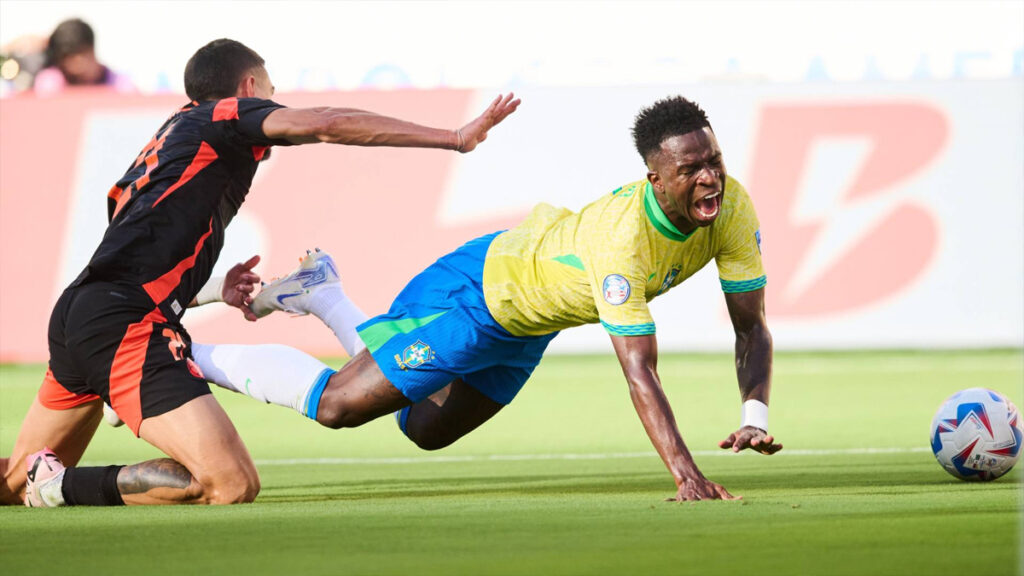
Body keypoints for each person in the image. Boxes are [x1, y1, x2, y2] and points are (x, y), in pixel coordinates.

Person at [0, 37, 519, 507]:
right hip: (122, 326)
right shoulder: (224, 115)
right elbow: (328, 122)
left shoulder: (172, 142)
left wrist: (210, 291)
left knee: (12, 481)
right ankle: (57, 487)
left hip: (82, 314)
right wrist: (454, 136)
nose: (273, 103)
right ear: (249, 88)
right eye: (270, 93)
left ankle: (45, 476)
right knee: (228, 484)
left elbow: (131, 257)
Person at [187, 95, 782, 502]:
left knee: (424, 429)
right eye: (691, 169)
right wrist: (686, 475)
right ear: (656, 180)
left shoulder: (731, 208)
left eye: (714, 161)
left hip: (530, 325)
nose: (710, 178)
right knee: (339, 405)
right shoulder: (622, 239)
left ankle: (325, 294)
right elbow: (639, 371)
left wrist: (753, 418)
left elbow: (751, 327)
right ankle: (183, 355)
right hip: (475, 294)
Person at [33, 18, 135, 96]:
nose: (73, 68)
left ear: (91, 50)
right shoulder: (51, 82)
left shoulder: (121, 85)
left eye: (77, 58)